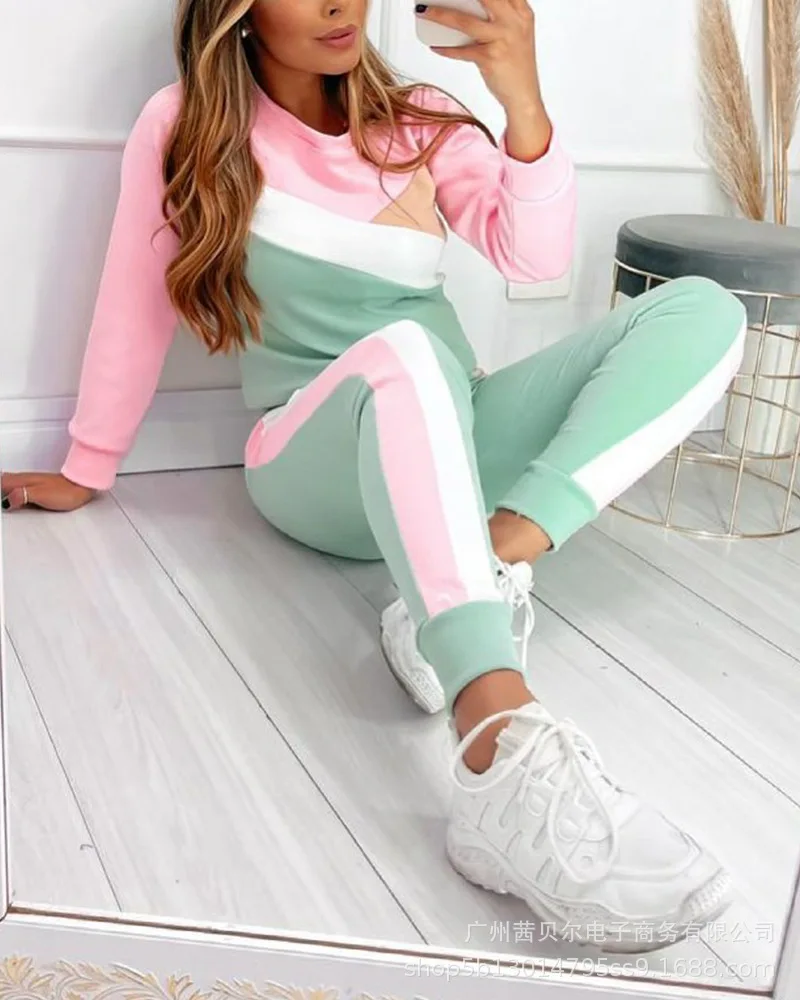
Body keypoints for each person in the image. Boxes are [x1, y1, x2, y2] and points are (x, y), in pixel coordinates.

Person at [1, 0, 747, 951]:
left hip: (449, 435)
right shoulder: (186, 122)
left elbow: (535, 257)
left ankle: (487, 559)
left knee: (703, 308)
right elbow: (134, 296)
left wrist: (521, 101)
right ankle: (498, 745)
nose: (339, 3)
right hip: (311, 462)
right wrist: (88, 463)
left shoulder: (420, 120)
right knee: (405, 349)